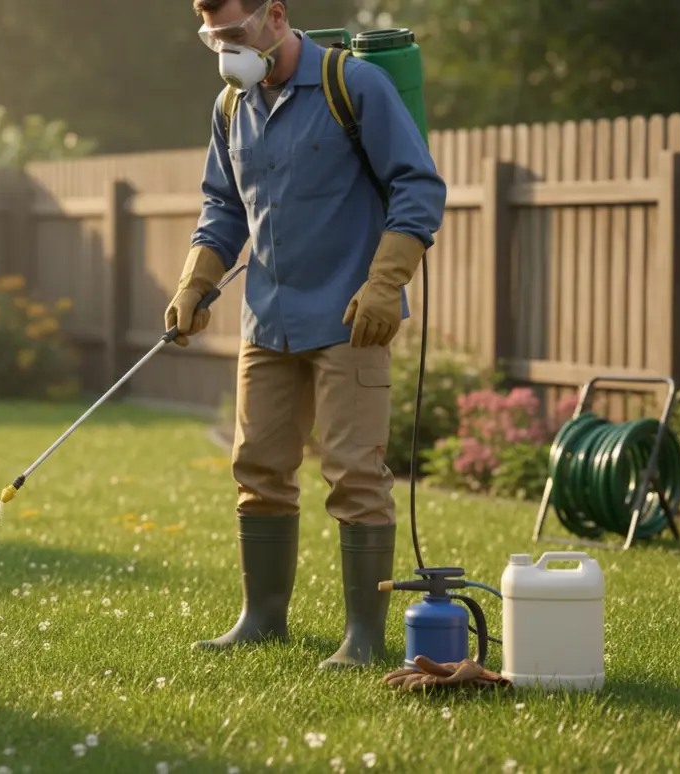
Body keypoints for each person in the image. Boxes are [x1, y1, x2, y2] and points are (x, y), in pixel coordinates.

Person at [168, 0, 446, 668]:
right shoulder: (231, 107)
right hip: (268, 321)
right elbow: (224, 207)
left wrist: (385, 283)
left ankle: (365, 638)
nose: (227, 49)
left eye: (235, 33)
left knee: (354, 473)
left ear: (275, 15)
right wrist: (194, 283)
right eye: (214, 39)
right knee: (258, 468)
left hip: (352, 320)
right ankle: (262, 620)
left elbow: (419, 187)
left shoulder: (353, 86)